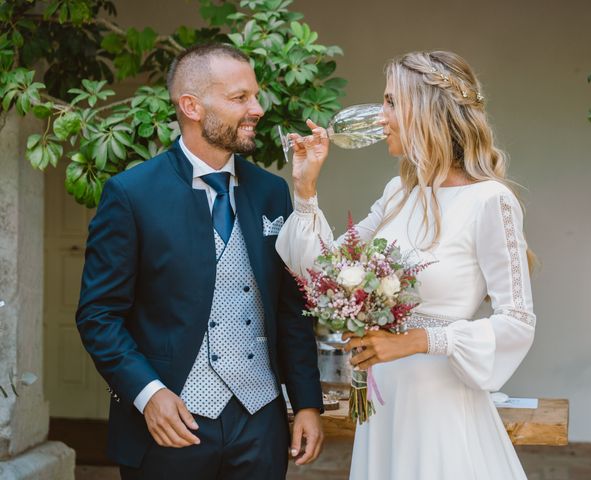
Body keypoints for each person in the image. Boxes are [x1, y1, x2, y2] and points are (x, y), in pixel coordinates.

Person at [276, 50, 536, 479]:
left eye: (391, 102)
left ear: (427, 111)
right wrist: (305, 187)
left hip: (440, 409)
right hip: (383, 405)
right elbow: (325, 272)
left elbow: (518, 321)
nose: (381, 116)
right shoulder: (398, 192)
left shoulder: (490, 200)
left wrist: (416, 341)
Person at [76, 43, 324, 480]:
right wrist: (148, 394)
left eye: (256, 95)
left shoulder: (271, 191)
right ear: (191, 106)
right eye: (240, 98)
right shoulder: (132, 194)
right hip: (171, 426)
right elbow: (98, 316)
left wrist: (305, 401)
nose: (258, 109)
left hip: (260, 421)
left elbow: (291, 307)